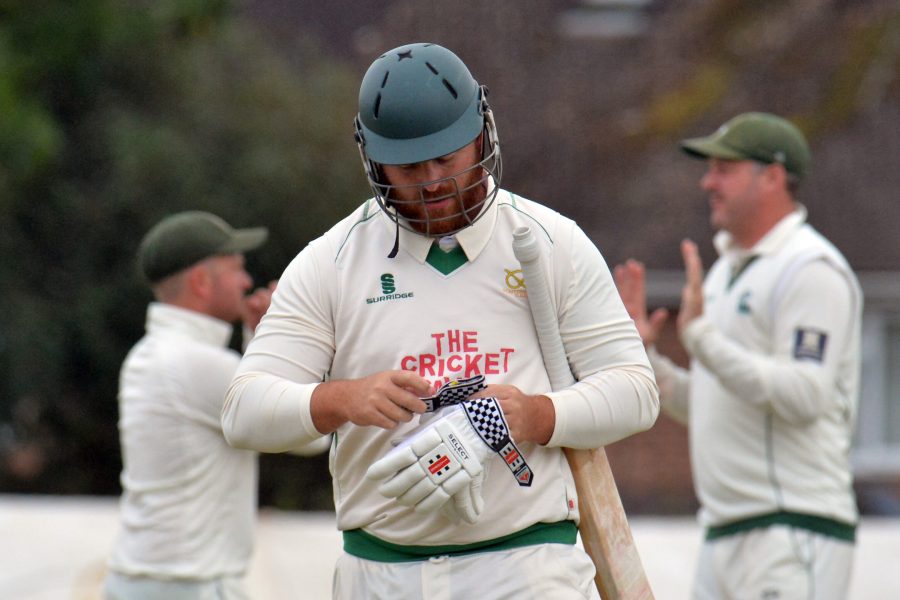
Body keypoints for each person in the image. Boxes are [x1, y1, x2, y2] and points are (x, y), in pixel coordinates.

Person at [222, 42, 659, 600]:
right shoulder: (330, 261)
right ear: (373, 159)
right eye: (408, 167)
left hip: (525, 567)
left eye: (447, 158)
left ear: (482, 133)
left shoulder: (552, 242)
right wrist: (342, 399)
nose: (432, 182)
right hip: (378, 573)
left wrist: (529, 415)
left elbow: (635, 392)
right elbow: (242, 413)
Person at [615, 112, 862, 600]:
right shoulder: (726, 271)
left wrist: (702, 337)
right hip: (724, 533)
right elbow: (708, 400)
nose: (708, 182)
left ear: (772, 176)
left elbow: (805, 395)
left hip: (793, 528)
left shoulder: (811, 269)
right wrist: (643, 357)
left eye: (724, 168)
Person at [105, 211, 277, 599]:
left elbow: (258, 406)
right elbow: (301, 432)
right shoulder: (197, 363)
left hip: (146, 579)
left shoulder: (151, 353)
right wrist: (277, 336)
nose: (247, 281)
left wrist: (257, 339)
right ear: (201, 281)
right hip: (188, 584)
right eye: (237, 268)